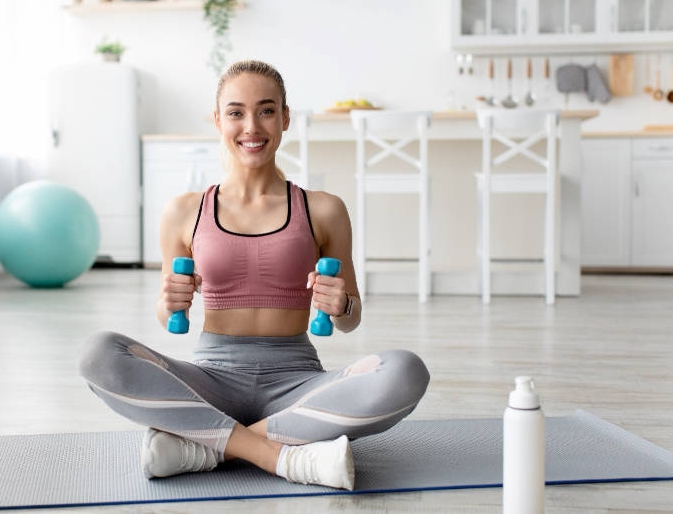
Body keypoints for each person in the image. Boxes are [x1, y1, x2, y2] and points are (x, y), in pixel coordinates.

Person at [79, 59, 430, 491]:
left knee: (406, 371)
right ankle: (280, 454)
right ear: (217, 120)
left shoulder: (323, 209)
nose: (252, 126)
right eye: (236, 112)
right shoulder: (183, 212)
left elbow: (350, 319)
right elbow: (167, 313)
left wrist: (342, 304)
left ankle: (204, 446)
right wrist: (166, 302)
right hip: (211, 379)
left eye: (266, 111)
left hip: (298, 382)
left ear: (285, 118)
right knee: (98, 354)